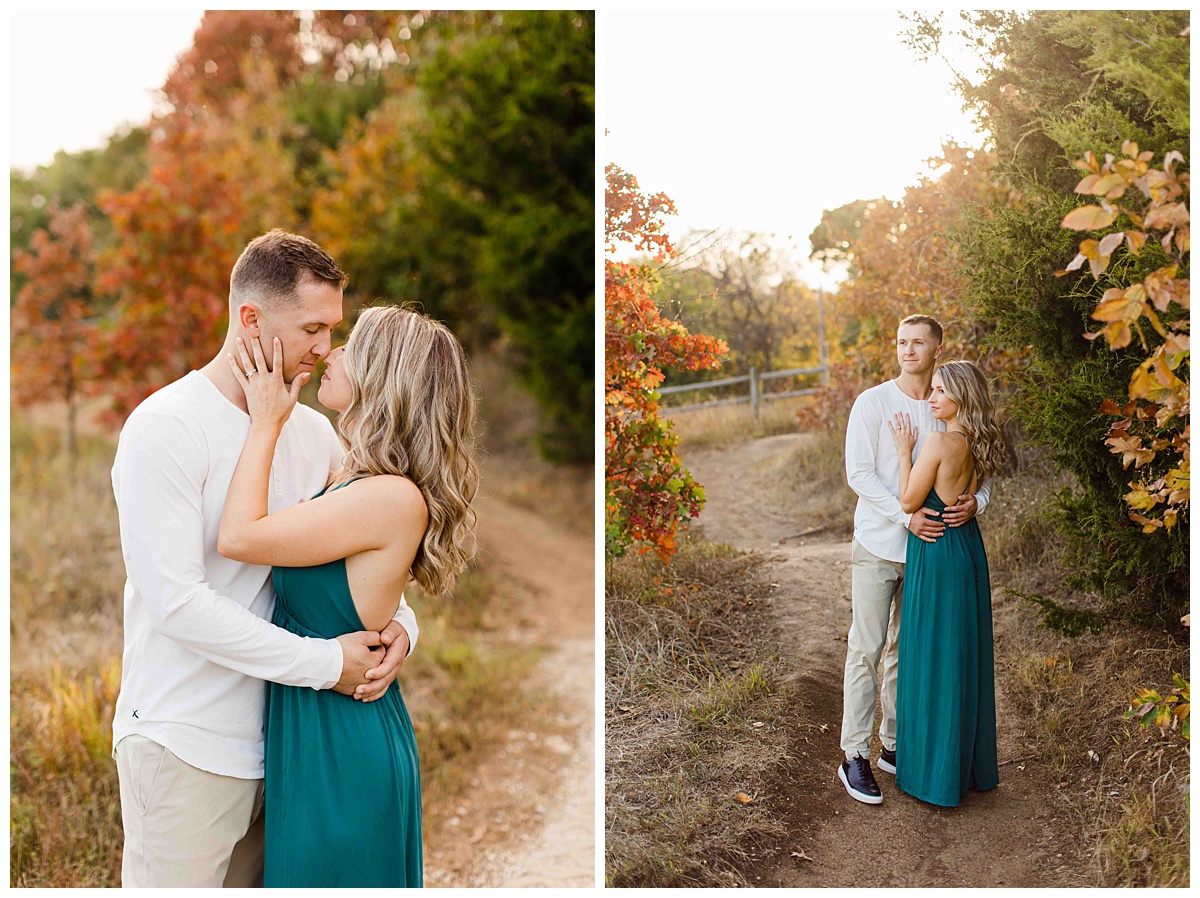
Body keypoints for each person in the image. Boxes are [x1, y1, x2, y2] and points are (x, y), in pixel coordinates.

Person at [111, 230, 418, 887]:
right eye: (312, 327)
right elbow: (177, 603)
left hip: (288, 746)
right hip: (184, 742)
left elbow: (358, 558)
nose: (325, 349)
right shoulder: (165, 427)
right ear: (250, 319)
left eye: (332, 329)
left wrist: (402, 631)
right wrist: (325, 663)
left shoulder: (313, 435)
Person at [219, 303, 478, 886]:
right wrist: (405, 631)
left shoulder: (387, 496)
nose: (330, 351)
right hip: (313, 725)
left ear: (383, 374)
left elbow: (239, 537)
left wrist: (265, 423)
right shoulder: (353, 478)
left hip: (342, 741)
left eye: (350, 345)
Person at [837, 314, 991, 805]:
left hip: (930, 556)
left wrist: (977, 503)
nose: (907, 350)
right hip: (881, 545)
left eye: (918, 342)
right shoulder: (873, 403)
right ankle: (854, 755)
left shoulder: (943, 404)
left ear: (936, 348)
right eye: (901, 341)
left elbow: (978, 469)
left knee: (910, 652)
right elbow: (859, 474)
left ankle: (898, 746)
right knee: (866, 647)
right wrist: (906, 519)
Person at [888, 359, 1004, 806]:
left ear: (961, 397)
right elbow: (976, 491)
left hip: (936, 550)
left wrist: (903, 451)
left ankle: (933, 775)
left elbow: (908, 500)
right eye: (931, 389)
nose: (930, 397)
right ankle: (965, 768)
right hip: (967, 549)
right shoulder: (981, 440)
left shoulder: (937, 441)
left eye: (939, 391)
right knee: (962, 654)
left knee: (930, 654)